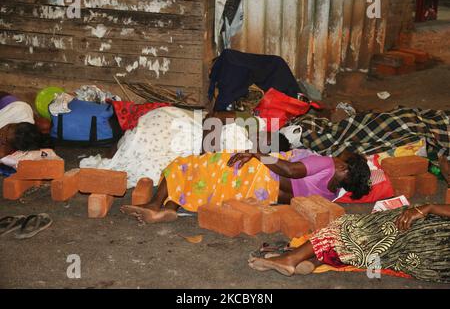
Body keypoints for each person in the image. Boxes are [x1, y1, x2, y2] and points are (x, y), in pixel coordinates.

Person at [120, 149, 371, 224]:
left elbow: (290, 170)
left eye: (342, 157)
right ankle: (171, 206)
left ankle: (155, 204)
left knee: (190, 164)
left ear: (344, 169)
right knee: (206, 180)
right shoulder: (331, 193)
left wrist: (257, 154)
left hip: (259, 174)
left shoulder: (327, 163)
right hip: (263, 194)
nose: (337, 155)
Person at [80, 106, 290, 188]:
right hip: (187, 129)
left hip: (187, 149)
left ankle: (114, 155)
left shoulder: (251, 152)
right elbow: (213, 118)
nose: (263, 142)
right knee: (146, 141)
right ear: (267, 132)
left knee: (153, 170)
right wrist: (207, 153)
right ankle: (114, 152)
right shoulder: (252, 122)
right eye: (267, 139)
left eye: (267, 146)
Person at [247, 204, 450, 284]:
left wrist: (428, 207)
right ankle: (313, 260)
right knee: (380, 251)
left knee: (357, 228)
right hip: (433, 268)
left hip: (433, 238)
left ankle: (291, 258)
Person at [0, 92, 49, 158]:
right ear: (17, 123)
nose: (2, 131)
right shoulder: (21, 110)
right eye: (8, 127)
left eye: (5, 138)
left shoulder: (19, 143)